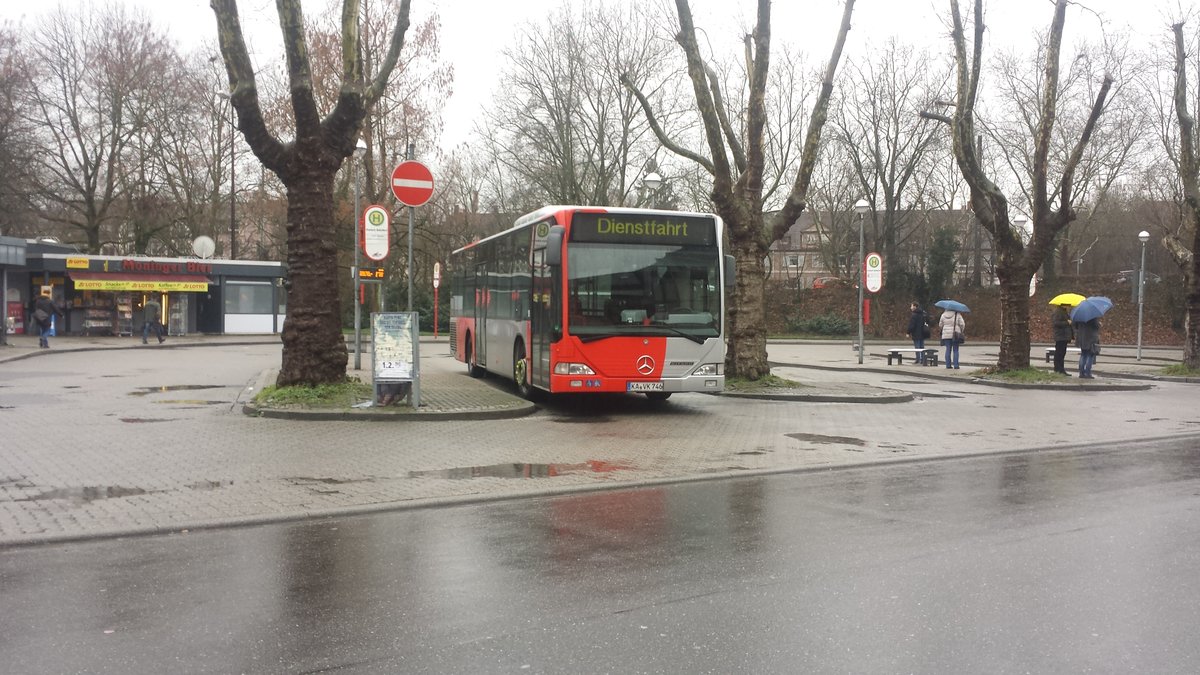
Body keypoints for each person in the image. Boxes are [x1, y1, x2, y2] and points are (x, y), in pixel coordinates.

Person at [1051, 304, 1074, 376]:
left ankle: (1061, 369)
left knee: (1062, 353)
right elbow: (1056, 323)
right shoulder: (1058, 312)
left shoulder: (1064, 312)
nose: (1069, 307)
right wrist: (1067, 322)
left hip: (1064, 336)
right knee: (1059, 353)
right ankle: (1058, 369)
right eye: (1068, 305)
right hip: (1060, 336)